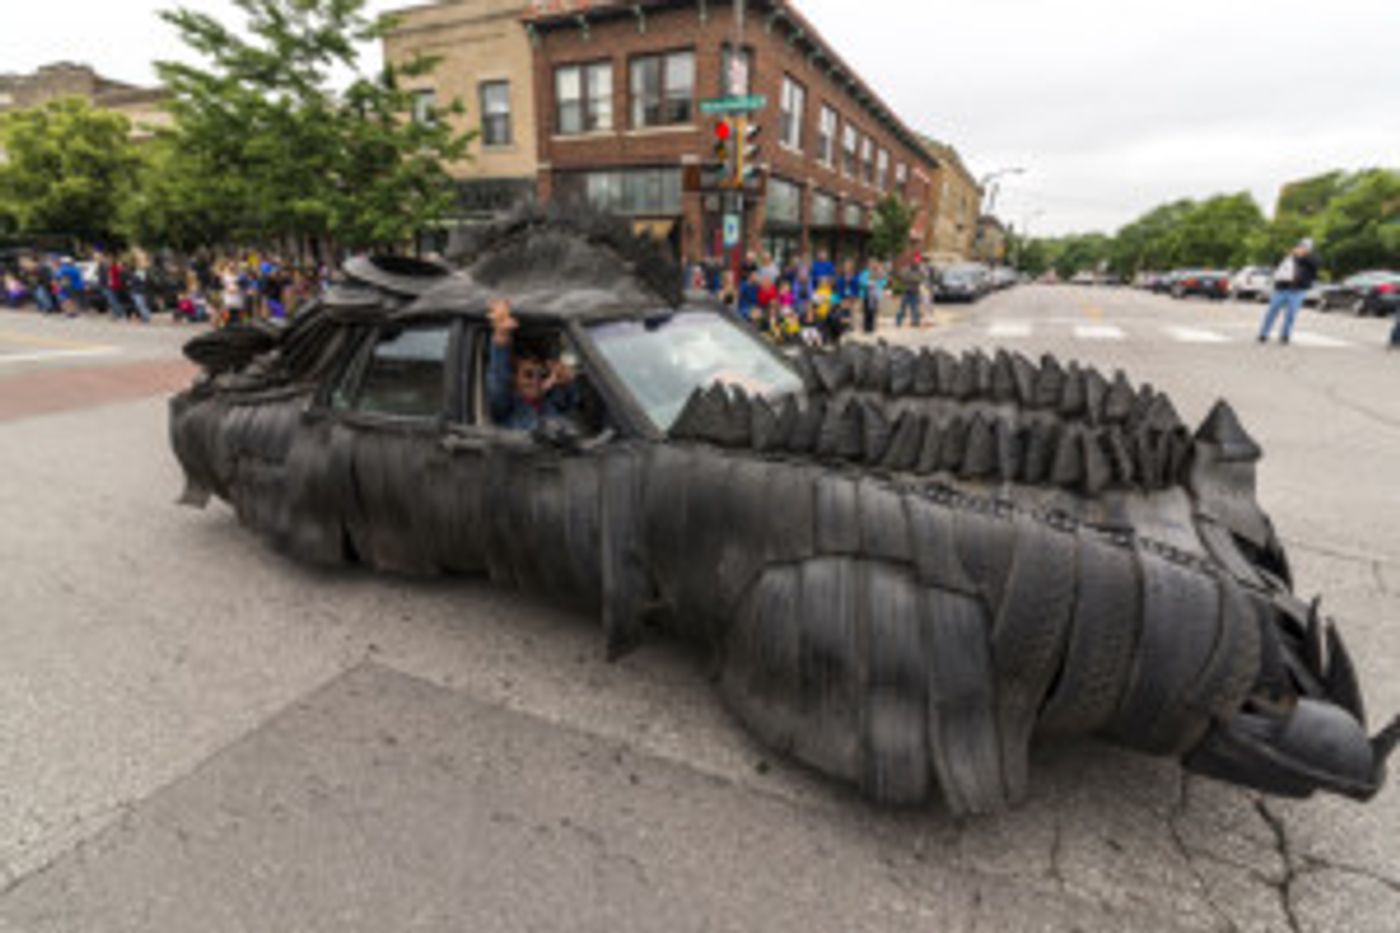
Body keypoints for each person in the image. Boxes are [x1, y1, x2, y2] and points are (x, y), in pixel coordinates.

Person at [486, 297, 578, 431]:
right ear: (514, 379)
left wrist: (565, 381)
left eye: (542, 374)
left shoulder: (552, 403)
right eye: (528, 374)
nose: (536, 380)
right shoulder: (507, 409)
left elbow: (572, 400)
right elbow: (499, 379)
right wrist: (502, 336)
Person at [1258, 239, 1320, 345]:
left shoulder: (1313, 257)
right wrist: (1291, 255)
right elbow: (1277, 265)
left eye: (1306, 246)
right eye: (1301, 245)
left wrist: (1302, 256)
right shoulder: (1290, 256)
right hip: (1282, 288)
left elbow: (1316, 265)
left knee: (1291, 314)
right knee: (1272, 311)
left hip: (1298, 290)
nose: (1303, 248)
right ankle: (1264, 333)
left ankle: (1285, 335)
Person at [895, 261, 923, 328]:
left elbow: (920, 279)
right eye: (915, 264)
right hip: (907, 292)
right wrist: (912, 279)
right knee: (902, 308)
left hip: (915, 292)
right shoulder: (906, 270)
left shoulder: (919, 271)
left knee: (915, 308)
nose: (916, 265)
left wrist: (912, 279)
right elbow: (902, 278)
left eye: (917, 264)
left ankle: (916, 322)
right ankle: (898, 321)